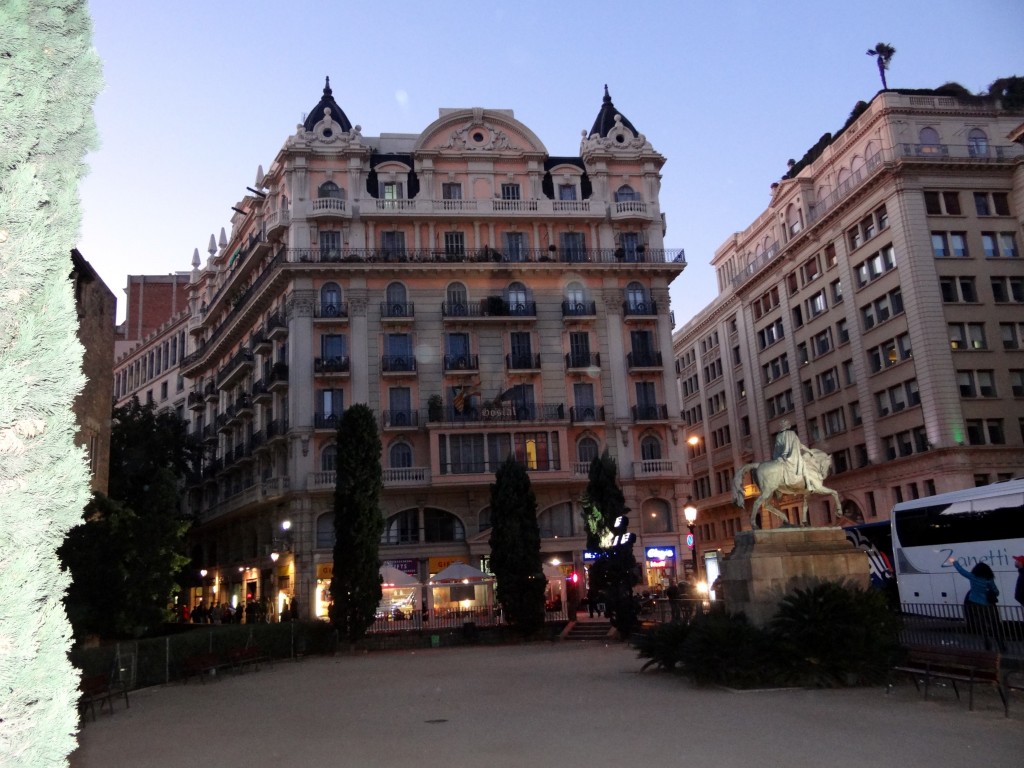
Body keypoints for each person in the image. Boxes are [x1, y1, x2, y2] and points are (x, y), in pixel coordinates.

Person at [949, 556, 1003, 651]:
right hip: (988, 605)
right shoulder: (989, 580)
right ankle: (1000, 644)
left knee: (982, 625)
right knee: (994, 624)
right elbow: (996, 591)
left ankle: (987, 643)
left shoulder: (972, 577)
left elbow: (961, 571)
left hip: (975, 604)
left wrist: (954, 562)